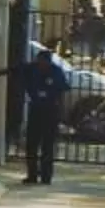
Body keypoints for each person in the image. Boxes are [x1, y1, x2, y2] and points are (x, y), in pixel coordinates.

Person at [15, 46, 71, 187]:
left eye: (43, 62)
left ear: (48, 61)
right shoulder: (32, 69)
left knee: (48, 146)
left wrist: (61, 113)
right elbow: (20, 74)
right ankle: (32, 175)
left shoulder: (56, 72)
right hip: (36, 110)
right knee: (32, 145)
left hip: (50, 111)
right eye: (39, 61)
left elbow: (62, 91)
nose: (41, 64)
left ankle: (46, 176)